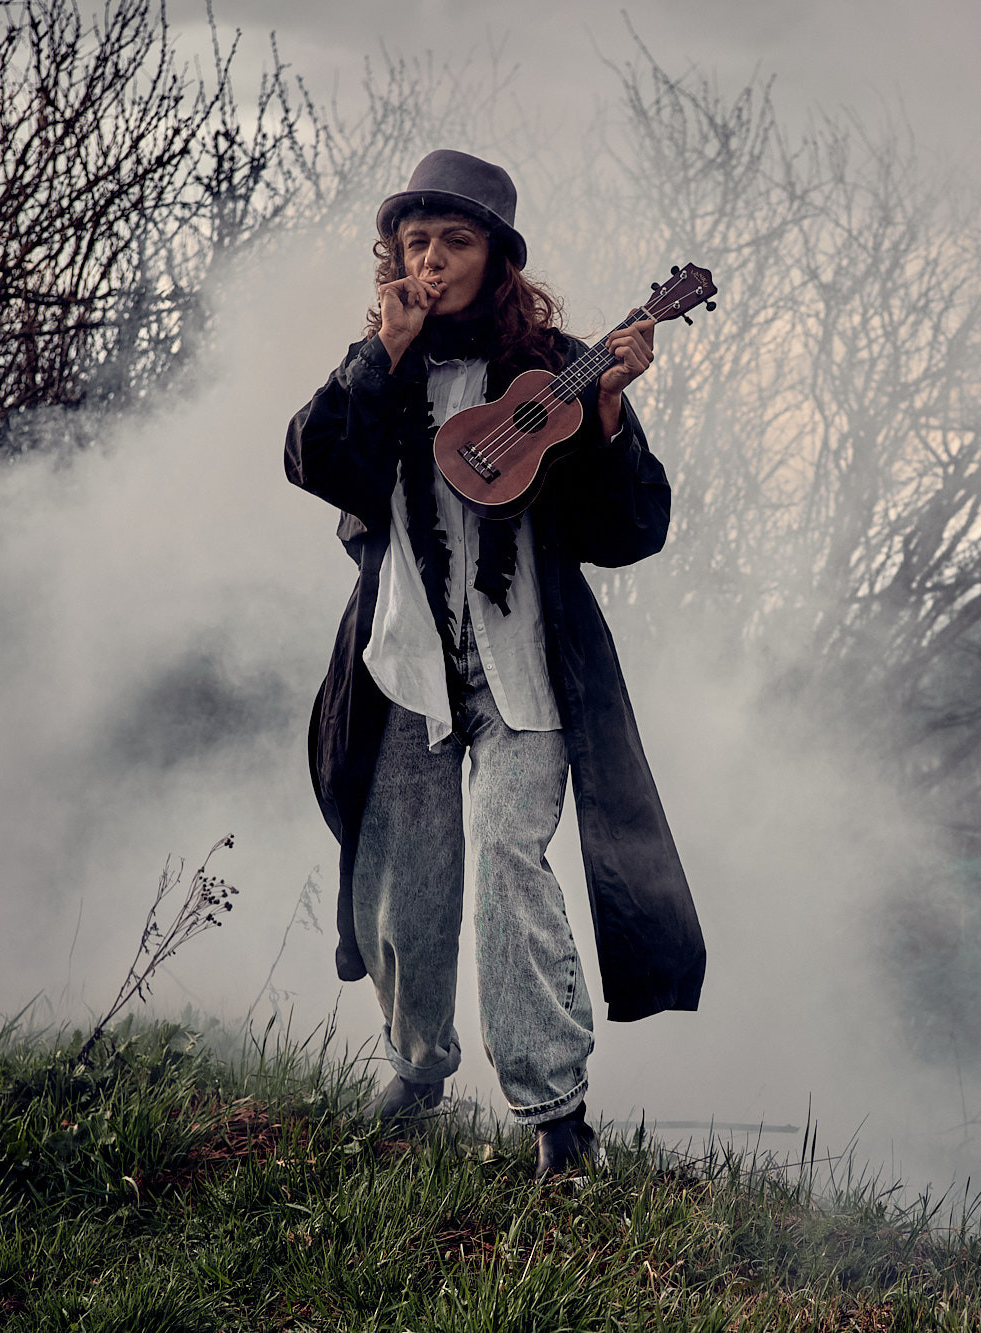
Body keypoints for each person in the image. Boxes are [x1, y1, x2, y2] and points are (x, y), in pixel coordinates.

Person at [283, 149, 705, 1179]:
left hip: (524, 669)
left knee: (510, 860)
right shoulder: (377, 361)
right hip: (406, 664)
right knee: (404, 876)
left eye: (455, 241)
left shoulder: (561, 362)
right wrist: (376, 360)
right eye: (415, 241)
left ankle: (557, 1116)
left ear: (497, 258)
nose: (431, 258)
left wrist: (605, 416)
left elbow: (630, 530)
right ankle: (417, 1070)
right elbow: (314, 462)